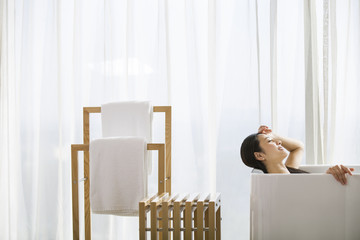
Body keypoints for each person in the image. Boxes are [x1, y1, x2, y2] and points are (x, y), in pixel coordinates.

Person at [240, 125, 354, 185]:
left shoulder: (289, 172)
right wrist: (327, 178)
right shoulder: (280, 186)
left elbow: (298, 147)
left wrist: (272, 135)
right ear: (260, 156)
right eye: (270, 141)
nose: (279, 142)